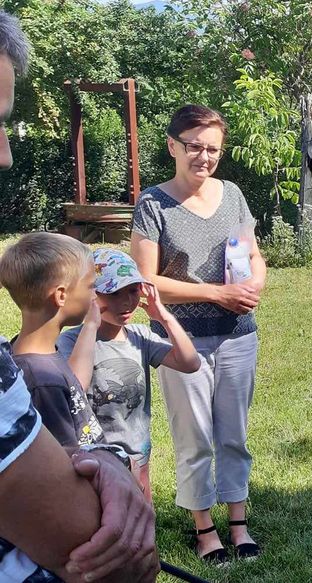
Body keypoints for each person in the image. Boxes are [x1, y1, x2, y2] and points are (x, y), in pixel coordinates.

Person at [0, 13, 156, 582]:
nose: (5, 155)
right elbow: (99, 551)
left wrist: (104, 464)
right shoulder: (34, 374)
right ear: (63, 294)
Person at [130, 104, 266, 564]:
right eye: (194, 147)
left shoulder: (233, 195)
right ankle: (204, 530)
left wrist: (254, 284)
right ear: (172, 146)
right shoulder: (153, 204)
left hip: (238, 335)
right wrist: (216, 293)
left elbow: (253, 253)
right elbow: (147, 279)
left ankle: (239, 524)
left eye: (213, 149)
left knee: (234, 433)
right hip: (178, 339)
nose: (203, 157)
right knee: (195, 437)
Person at [59, 249, 202, 502]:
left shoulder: (140, 337)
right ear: (92, 295)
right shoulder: (72, 340)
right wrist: (91, 325)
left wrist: (164, 317)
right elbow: (76, 386)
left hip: (137, 452)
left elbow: (190, 363)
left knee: (142, 516)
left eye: (133, 291)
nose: (126, 302)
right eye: (114, 293)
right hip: (93, 456)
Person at [2, 233, 105, 449]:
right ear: (61, 295)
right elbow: (66, 462)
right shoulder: (41, 381)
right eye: (90, 286)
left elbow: (74, 384)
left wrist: (91, 326)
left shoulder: (34, 357)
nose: (95, 295)